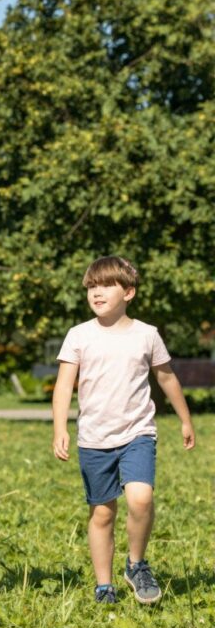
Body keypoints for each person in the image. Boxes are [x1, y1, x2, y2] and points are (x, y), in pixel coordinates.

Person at [52, 255, 196, 605]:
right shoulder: (79, 335)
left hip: (137, 434)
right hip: (94, 438)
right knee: (102, 512)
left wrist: (185, 418)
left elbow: (166, 377)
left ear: (128, 292)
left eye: (106, 285)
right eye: (91, 286)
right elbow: (63, 385)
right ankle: (104, 585)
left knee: (141, 498)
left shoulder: (147, 335)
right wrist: (60, 427)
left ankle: (136, 563)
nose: (96, 292)